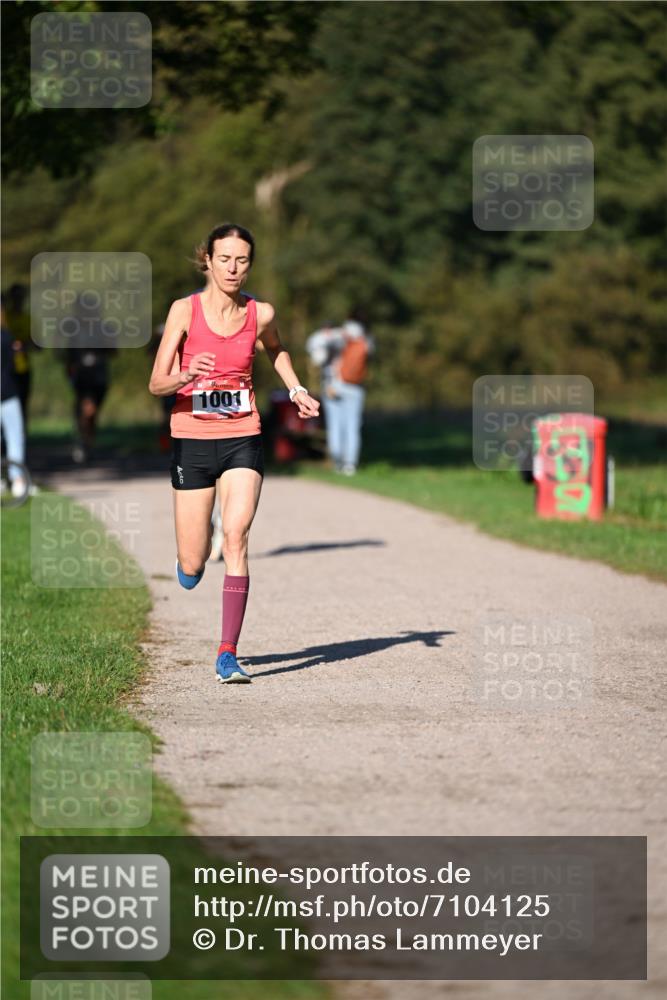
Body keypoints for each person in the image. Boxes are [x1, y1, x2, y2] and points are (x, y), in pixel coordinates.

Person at [149, 222, 319, 684]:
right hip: (191, 437)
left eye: (242, 260)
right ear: (207, 259)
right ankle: (191, 557)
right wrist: (186, 376)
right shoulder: (184, 311)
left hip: (244, 434)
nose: (233, 268)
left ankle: (227, 652)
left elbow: (276, 349)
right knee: (192, 563)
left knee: (238, 535)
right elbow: (156, 382)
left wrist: (296, 387)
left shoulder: (260, 313)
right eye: (225, 258)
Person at [1, 306, 28, 499]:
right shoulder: (8, 338)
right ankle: (17, 480)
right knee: (14, 437)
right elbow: (18, 367)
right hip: (8, 393)